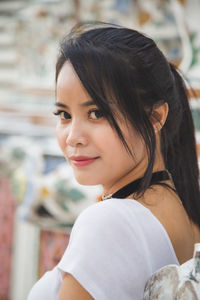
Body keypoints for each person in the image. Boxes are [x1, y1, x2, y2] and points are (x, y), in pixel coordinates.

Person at [28, 21, 200, 300]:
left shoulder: (110, 222)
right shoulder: (184, 210)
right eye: (64, 115)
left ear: (155, 117)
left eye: (96, 113)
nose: (73, 137)